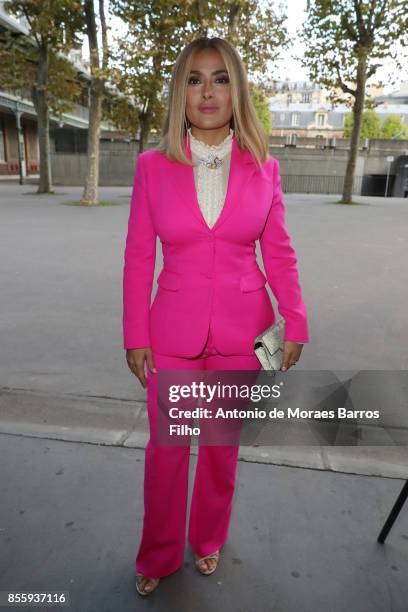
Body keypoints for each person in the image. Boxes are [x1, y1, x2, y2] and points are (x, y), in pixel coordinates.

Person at [122, 36, 310, 596]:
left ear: (237, 91)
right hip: (171, 334)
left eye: (221, 79)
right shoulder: (152, 167)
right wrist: (136, 334)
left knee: (222, 449)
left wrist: (294, 320)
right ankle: (157, 552)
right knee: (168, 451)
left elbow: (278, 250)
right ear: (182, 90)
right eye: (197, 79)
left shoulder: (264, 168)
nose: (208, 91)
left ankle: (207, 539)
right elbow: (138, 256)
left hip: (244, 333)